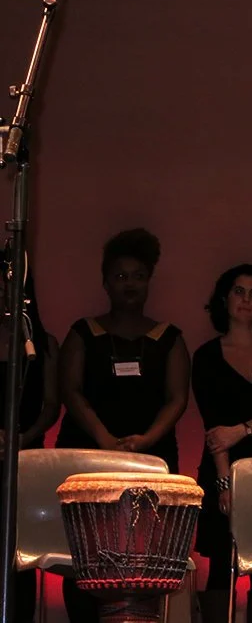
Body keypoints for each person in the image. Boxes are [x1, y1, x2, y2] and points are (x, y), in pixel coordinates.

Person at [55, 227, 190, 623]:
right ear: (105, 282)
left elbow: (177, 399)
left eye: (138, 276)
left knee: (145, 555)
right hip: (88, 455)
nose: (129, 284)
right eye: (119, 276)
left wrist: (145, 441)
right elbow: (70, 391)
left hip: (150, 457)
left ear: (149, 281)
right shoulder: (83, 333)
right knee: (84, 554)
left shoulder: (170, 338)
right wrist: (104, 440)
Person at [191, 265, 252, 623]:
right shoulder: (206, 356)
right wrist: (223, 483)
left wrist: (242, 430)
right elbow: (214, 428)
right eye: (238, 291)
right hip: (222, 468)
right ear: (224, 298)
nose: (246, 300)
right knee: (221, 562)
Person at [0, 270, 59, 623]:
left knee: (20, 551)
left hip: (26, 457)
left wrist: (23, 438)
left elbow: (51, 404)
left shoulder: (40, 343)